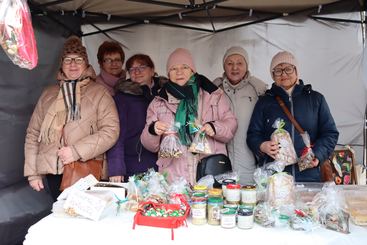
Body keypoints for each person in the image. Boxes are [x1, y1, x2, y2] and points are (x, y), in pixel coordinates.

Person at [24, 36, 120, 200]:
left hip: (86, 168)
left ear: (86, 63)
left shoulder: (99, 93)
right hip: (53, 171)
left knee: (86, 220)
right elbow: (33, 134)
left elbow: (111, 131)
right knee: (61, 218)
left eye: (78, 59)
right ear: (61, 63)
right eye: (68, 60)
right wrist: (33, 173)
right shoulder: (48, 94)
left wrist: (76, 151)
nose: (73, 64)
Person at [141, 48, 237, 184]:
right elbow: (149, 145)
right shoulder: (158, 102)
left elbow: (231, 125)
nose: (179, 72)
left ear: (193, 70)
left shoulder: (213, 96)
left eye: (184, 67)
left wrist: (215, 127)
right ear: (168, 73)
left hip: (209, 173)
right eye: (174, 69)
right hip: (174, 177)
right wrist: (152, 130)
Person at [247, 51, 339, 182]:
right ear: (273, 75)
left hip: (309, 175)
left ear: (296, 71)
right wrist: (262, 146)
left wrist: (317, 155)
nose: (284, 74)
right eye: (278, 71)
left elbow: (330, 133)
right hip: (276, 177)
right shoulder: (264, 102)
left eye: (288, 69)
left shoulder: (315, 99)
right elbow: (252, 135)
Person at [107, 54, 167, 182]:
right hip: (136, 163)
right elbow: (116, 134)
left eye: (142, 67)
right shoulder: (122, 98)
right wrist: (116, 168)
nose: (137, 72)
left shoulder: (167, 93)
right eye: (132, 69)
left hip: (169, 162)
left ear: (152, 70)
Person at [213, 46, 267, 185]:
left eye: (239, 63)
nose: (234, 68)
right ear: (224, 66)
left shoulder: (258, 89)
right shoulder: (214, 89)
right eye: (230, 63)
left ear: (247, 66)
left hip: (249, 161)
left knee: (247, 201)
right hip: (220, 160)